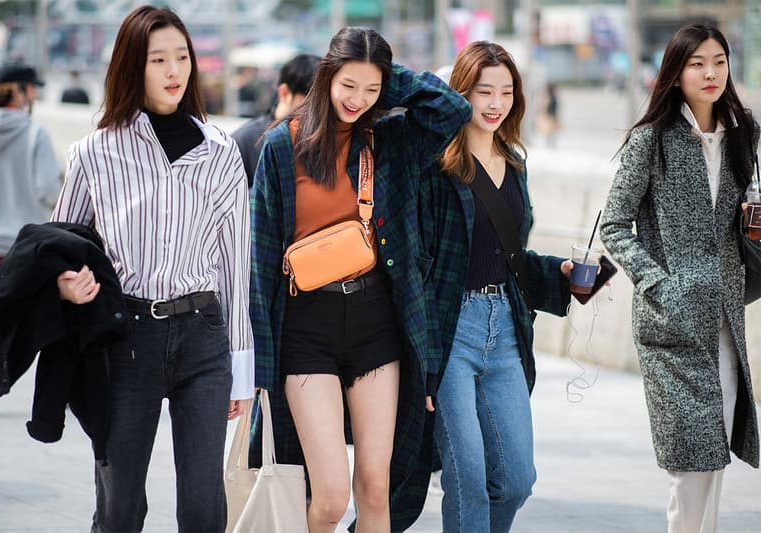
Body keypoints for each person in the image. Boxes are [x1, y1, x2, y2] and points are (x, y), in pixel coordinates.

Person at [250, 26, 471, 532]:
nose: (358, 100)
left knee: (376, 485)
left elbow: (452, 110)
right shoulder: (281, 148)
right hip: (306, 328)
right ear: (327, 76)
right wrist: (258, 371)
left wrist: (389, 79)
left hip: (376, 324)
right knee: (327, 497)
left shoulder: (389, 140)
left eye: (371, 89)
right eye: (348, 84)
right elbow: (259, 267)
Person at [50, 6, 253, 532]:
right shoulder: (95, 151)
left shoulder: (221, 152)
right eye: (157, 58)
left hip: (204, 338)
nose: (174, 71)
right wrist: (68, 286)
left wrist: (243, 367)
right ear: (131, 67)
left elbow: (235, 262)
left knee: (204, 506)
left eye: (182, 57)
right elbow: (61, 247)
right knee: (120, 506)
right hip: (126, 340)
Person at [599, 23, 759, 533]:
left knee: (712, 460)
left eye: (719, 61)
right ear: (676, 71)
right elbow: (614, 227)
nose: (711, 73)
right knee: (688, 465)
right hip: (670, 328)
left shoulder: (743, 135)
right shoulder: (651, 140)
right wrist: (662, 287)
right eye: (697, 63)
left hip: (725, 320)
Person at [419, 41, 572, 532]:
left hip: (504, 327)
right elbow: (417, 267)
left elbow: (510, 259)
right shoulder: (435, 166)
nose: (495, 103)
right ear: (460, 92)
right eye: (483, 91)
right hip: (450, 329)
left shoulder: (516, 163)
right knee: (468, 475)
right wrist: (420, 357)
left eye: (506, 92)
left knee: (515, 480)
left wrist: (561, 276)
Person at [0, 61, 62, 415]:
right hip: (28, 250)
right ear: (20, 91)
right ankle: (54, 398)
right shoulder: (35, 135)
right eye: (32, 88)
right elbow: (50, 190)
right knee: (54, 324)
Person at [231, 53, 320, 186]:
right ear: (284, 92)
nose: (316, 110)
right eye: (308, 103)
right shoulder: (244, 140)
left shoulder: (321, 138)